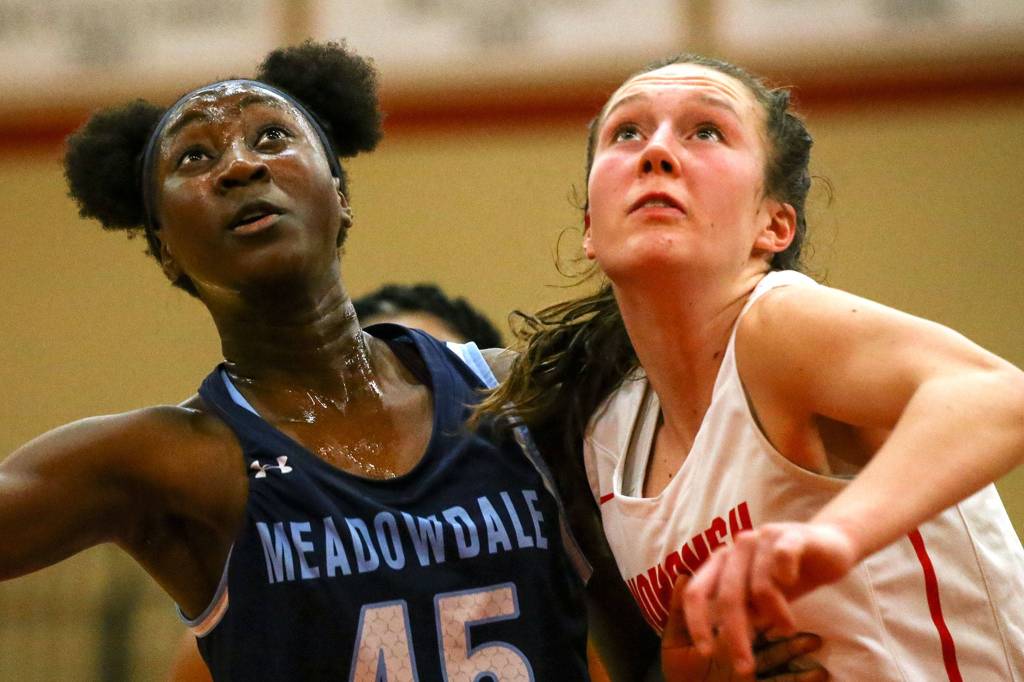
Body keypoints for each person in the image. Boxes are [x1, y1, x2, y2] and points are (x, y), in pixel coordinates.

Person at [2, 41, 593, 680]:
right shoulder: (172, 463)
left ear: (339, 195)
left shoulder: (518, 394)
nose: (239, 167)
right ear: (165, 249)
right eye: (195, 156)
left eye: (272, 137)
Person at [482, 54, 1024, 680]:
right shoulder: (607, 434)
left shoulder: (779, 328)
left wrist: (828, 538)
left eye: (706, 131)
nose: (656, 152)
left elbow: (996, 393)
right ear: (589, 231)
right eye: (627, 132)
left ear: (774, 224)